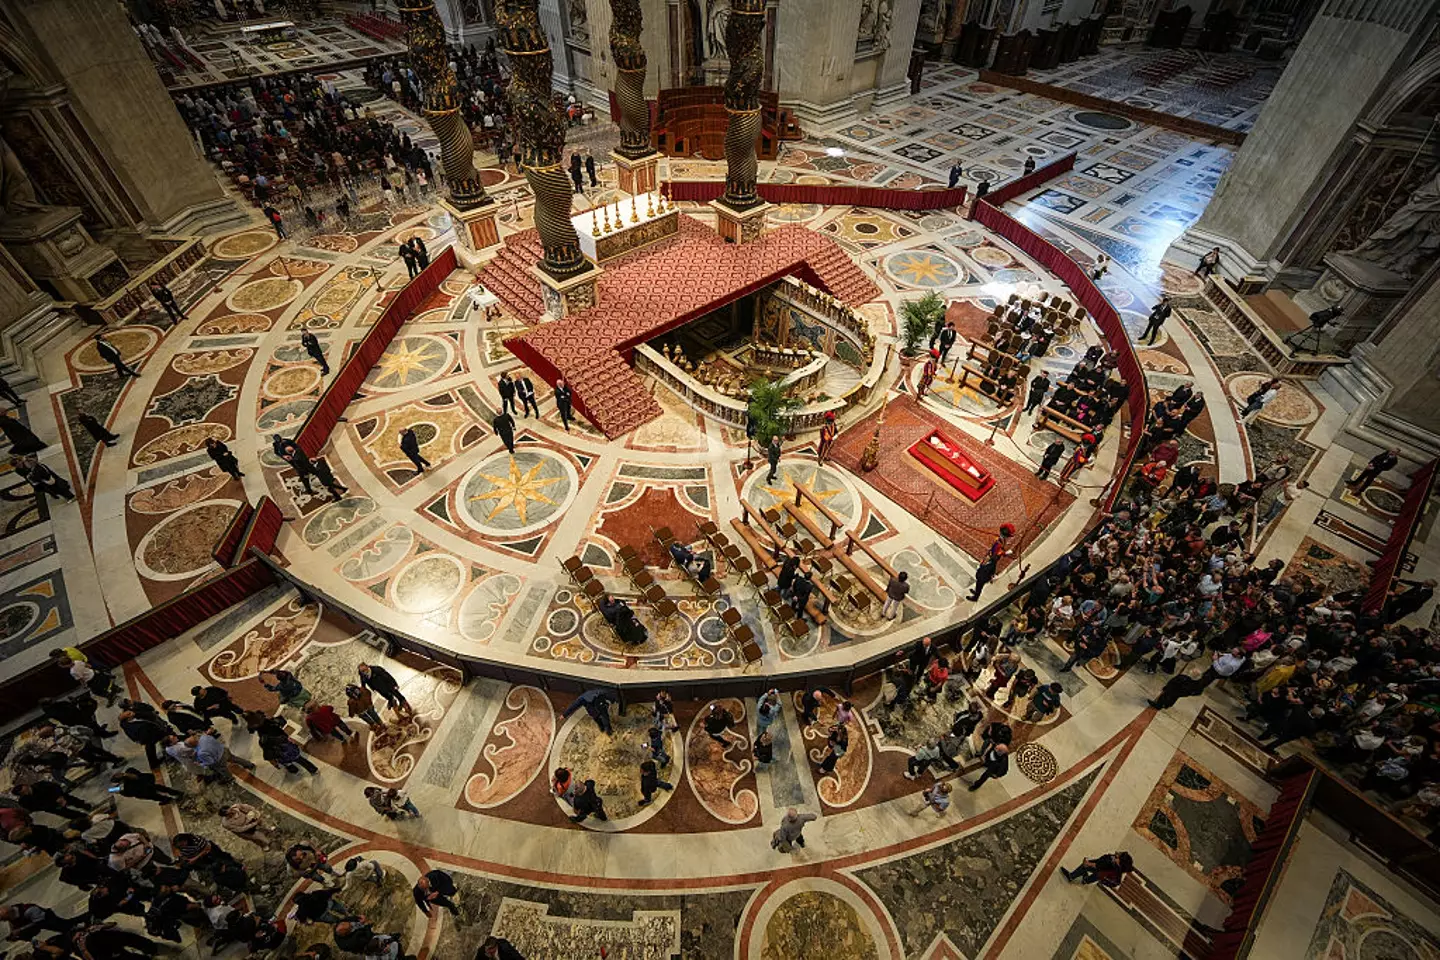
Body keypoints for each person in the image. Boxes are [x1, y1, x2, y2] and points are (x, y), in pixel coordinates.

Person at [1061, 851, 1134, 887]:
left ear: (1120, 863)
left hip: (1100, 873)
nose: (1118, 855)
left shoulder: (1114, 869)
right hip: (1101, 869)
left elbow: (1099, 866)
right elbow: (1101, 862)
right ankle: (1081, 877)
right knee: (1087, 869)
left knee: (1086, 869)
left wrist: (1088, 863)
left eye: (1119, 857)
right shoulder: (1116, 861)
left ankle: (1076, 877)